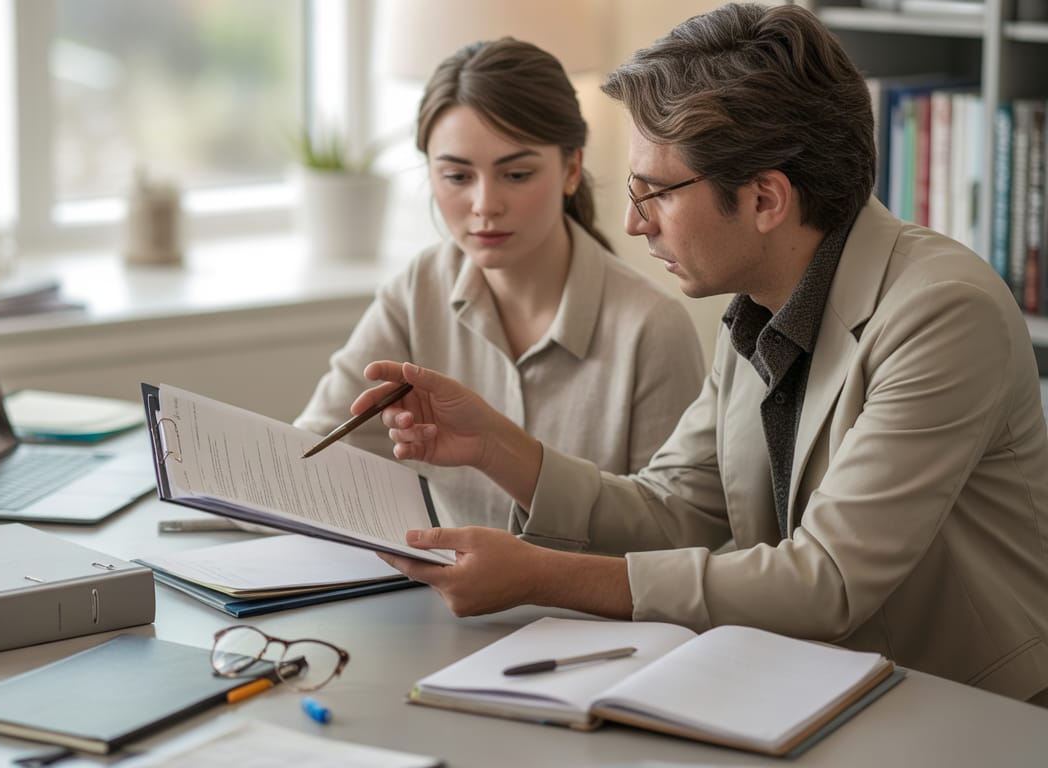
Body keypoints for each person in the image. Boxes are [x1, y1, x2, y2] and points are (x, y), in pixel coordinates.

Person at [359, 3, 1048, 705]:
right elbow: (674, 508)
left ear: (765, 199)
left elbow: (829, 578)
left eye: (653, 190)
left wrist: (540, 573)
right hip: (816, 693)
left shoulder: (943, 312)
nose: (631, 221)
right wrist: (494, 446)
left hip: (967, 713)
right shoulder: (760, 302)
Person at [294, 37, 705, 529]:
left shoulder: (652, 329)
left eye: (515, 174)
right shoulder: (417, 290)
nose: (485, 205)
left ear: (571, 168)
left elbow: (670, 536)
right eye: (457, 177)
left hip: (591, 609)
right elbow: (310, 450)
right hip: (433, 603)